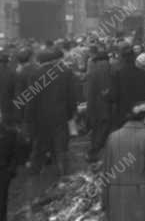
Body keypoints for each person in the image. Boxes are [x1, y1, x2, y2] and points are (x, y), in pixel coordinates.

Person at [25, 45, 77, 177]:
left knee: (39, 146)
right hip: (61, 116)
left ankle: (34, 173)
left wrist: (29, 119)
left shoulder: (35, 74)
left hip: (41, 117)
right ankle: (63, 174)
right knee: (62, 147)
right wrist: (71, 114)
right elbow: (71, 96)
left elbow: (31, 99)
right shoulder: (66, 72)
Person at [84, 48, 113, 162]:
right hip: (111, 106)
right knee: (108, 131)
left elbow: (90, 93)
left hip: (97, 107)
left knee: (97, 131)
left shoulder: (93, 72)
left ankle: (94, 153)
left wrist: (88, 110)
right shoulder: (113, 68)